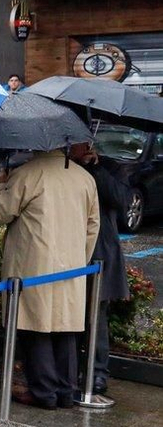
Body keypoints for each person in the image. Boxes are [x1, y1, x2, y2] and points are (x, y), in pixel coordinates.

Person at [0, 149, 100, 410]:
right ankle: (65, 390)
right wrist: (79, 259)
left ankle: (44, 392)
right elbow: (93, 225)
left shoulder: (27, 174)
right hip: (72, 266)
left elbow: (0, 213)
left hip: (32, 264)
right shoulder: (84, 177)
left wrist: (0, 186)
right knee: (65, 328)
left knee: (34, 327)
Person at [73, 141, 127, 401]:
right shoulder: (65, 166)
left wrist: (95, 169)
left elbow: (120, 199)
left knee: (97, 316)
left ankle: (97, 373)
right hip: (69, 250)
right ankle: (70, 371)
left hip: (100, 252)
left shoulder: (110, 167)